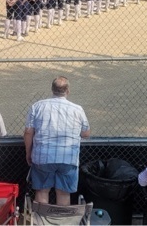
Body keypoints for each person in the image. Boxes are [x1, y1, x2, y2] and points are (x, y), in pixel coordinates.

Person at [24, 76, 90, 206]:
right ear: (68, 91)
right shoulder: (77, 109)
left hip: (42, 157)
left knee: (42, 191)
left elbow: (28, 132)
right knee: (64, 193)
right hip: (68, 158)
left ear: (52, 89)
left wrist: (28, 152)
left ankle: (42, 218)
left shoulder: (37, 106)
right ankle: (62, 218)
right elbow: (86, 133)